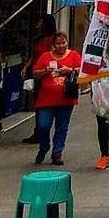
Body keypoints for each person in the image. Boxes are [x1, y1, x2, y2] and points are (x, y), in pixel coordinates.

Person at [32, 32, 81, 165]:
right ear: (53, 45)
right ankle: (44, 146)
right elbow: (35, 73)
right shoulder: (45, 57)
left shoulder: (74, 55)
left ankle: (57, 153)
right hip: (46, 100)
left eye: (63, 43)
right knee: (43, 125)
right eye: (58, 43)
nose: (61, 46)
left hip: (66, 99)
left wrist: (70, 70)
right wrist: (44, 71)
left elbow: (82, 71)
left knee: (62, 127)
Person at [21, 15, 58, 143]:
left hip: (46, 75)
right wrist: (27, 67)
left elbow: (54, 56)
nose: (37, 25)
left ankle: (42, 132)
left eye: (40, 22)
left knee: (43, 104)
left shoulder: (53, 40)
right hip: (37, 73)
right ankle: (38, 132)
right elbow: (34, 55)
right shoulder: (38, 39)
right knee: (37, 103)